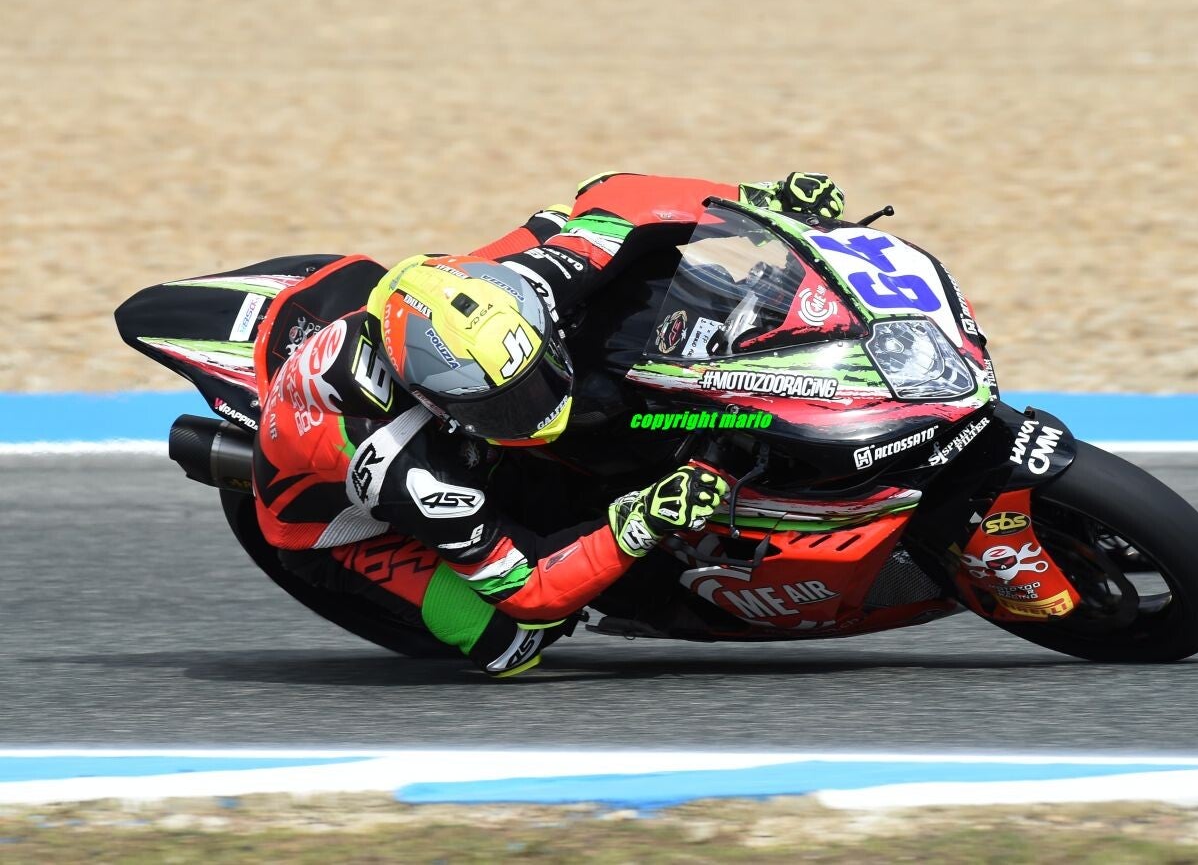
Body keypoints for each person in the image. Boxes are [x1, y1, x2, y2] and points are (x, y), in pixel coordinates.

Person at [251, 172, 847, 676]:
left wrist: (759, 199)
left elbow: (616, 198)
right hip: (341, 532)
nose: (537, 412)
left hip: (409, 375)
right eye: (501, 408)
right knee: (515, 644)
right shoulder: (408, 470)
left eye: (537, 381)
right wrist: (641, 520)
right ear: (437, 404)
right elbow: (532, 592)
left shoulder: (519, 285)